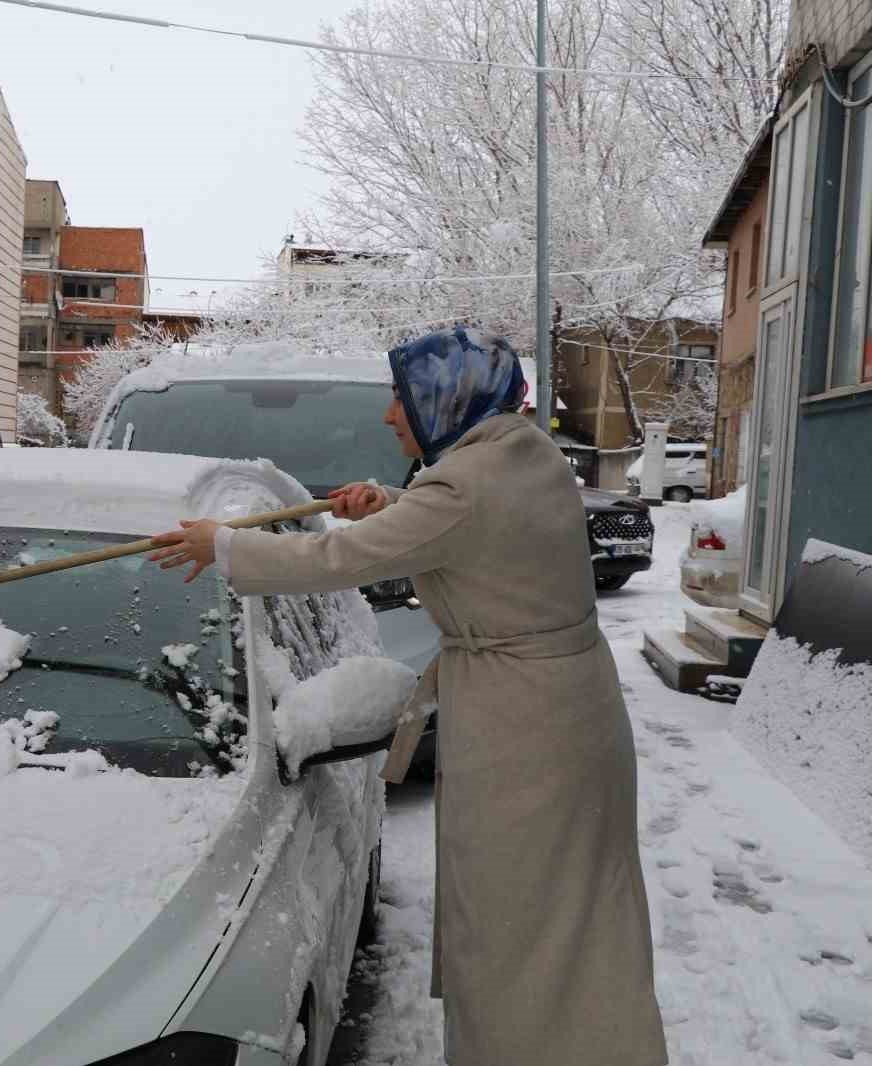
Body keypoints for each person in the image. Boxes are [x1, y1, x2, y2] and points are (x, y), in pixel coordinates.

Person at [149, 327, 667, 1066]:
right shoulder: (520, 453)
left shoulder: (464, 486)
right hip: (564, 709)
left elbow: (340, 557)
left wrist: (226, 547)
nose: (392, 415)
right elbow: (474, 524)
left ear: (444, 399)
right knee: (570, 910)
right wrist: (392, 501)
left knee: (518, 917)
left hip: (527, 729)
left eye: (403, 396)